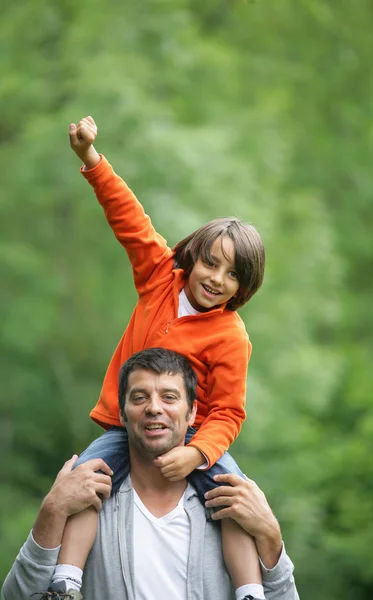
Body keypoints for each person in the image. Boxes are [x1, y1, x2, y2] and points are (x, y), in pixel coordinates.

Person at [53, 115, 267, 600]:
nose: (215, 278)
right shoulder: (159, 277)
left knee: (234, 494)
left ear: (243, 286)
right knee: (85, 479)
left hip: (193, 435)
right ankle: (66, 579)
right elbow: (129, 219)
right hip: (124, 425)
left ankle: (251, 590)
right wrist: (90, 157)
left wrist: (196, 452)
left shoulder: (231, 336)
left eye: (231, 274)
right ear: (193, 256)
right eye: (210, 262)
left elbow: (228, 411)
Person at [1, 349, 299, 600]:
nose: (154, 408)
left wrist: (271, 536)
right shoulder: (88, 502)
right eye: (140, 397)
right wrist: (52, 509)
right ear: (121, 413)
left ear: (192, 413)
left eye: (169, 397)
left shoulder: (229, 505)